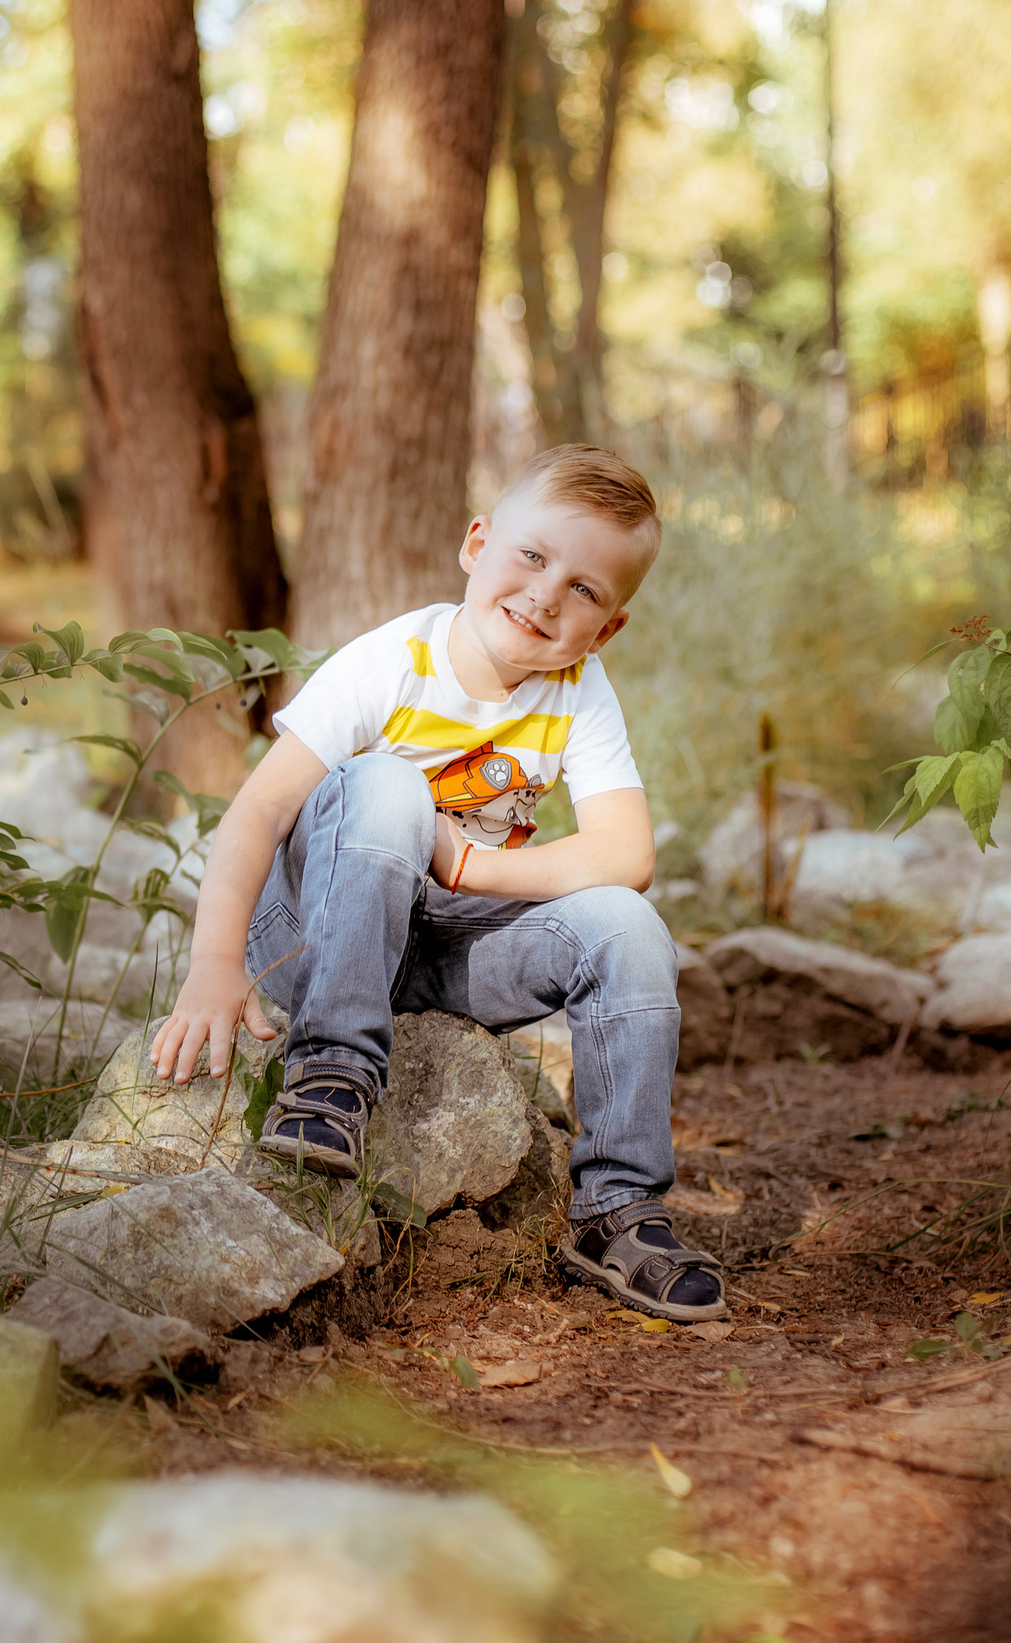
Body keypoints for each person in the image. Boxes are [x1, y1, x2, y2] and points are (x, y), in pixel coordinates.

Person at [145, 444, 723, 1321]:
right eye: (532, 556)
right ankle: (330, 1075)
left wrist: (474, 866)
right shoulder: (393, 659)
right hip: (316, 932)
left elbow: (626, 853)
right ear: (476, 544)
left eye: (583, 589)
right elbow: (258, 811)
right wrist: (214, 964)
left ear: (606, 629)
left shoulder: (578, 686)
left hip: (445, 951)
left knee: (629, 926)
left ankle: (618, 1209)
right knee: (387, 785)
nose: (545, 595)